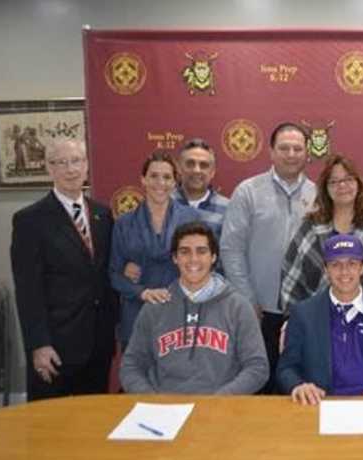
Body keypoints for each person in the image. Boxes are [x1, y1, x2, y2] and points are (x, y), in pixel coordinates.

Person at [10, 138, 118, 401]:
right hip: (55, 347)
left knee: (92, 424)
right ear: (49, 168)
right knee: (49, 428)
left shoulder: (103, 215)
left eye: (77, 161)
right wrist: (38, 345)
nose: (71, 169)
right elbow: (28, 291)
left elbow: (104, 273)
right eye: (61, 162)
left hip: (97, 343)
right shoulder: (30, 221)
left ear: (86, 166)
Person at [220, 122, 316, 393]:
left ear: (307, 153)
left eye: (298, 148)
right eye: (284, 148)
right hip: (256, 312)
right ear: (271, 152)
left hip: (302, 312)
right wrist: (247, 299)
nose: (291, 154)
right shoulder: (248, 191)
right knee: (257, 387)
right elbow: (231, 249)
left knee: (298, 387)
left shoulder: (318, 195)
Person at [120, 222, 268, 394]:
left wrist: (219, 401)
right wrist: (153, 400)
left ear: (213, 257)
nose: (193, 259)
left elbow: (257, 367)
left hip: (220, 411)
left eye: (202, 251)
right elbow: (131, 366)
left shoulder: (238, 307)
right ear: (175, 258)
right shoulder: (155, 307)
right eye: (184, 252)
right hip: (164, 410)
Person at [277, 234, 363, 404]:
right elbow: (286, 368)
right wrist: (299, 386)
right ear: (326, 269)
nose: (344, 271)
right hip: (318, 405)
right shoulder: (303, 314)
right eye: (335, 264)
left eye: (352, 264)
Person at [281, 153, 363, 314]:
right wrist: (297, 319)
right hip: (317, 322)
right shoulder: (311, 225)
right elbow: (292, 274)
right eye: (334, 182)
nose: (342, 186)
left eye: (348, 179)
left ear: (358, 183)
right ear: (325, 188)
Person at [109, 150, 200, 349]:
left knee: (179, 378)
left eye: (167, 177)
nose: (161, 182)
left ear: (175, 182)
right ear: (143, 179)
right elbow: (114, 274)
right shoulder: (124, 224)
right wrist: (142, 292)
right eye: (154, 176)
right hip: (137, 316)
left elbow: (203, 266)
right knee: (136, 378)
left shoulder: (191, 219)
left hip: (180, 314)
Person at [172, 137, 229, 240]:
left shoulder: (228, 209)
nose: (196, 170)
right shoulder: (164, 203)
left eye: (204, 165)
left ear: (212, 172)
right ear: (179, 168)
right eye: (190, 164)